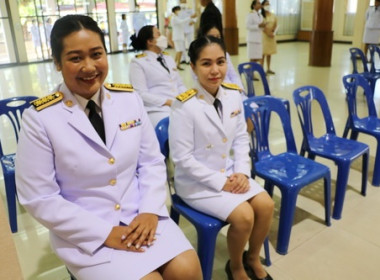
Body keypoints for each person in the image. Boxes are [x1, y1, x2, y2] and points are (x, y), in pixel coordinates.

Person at [15, 15, 202, 280]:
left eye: (96, 54)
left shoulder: (128, 99)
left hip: (141, 215)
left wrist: (150, 209)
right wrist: (104, 233)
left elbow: (150, 162)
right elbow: (40, 198)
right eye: (75, 58)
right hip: (86, 233)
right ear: (57, 62)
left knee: (188, 268)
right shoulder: (41, 118)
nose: (89, 67)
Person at [169, 36, 274, 280]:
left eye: (220, 61)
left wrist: (242, 173)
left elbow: (239, 139)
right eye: (206, 63)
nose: (215, 70)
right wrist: (222, 183)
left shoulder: (233, 94)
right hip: (196, 183)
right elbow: (182, 159)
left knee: (266, 204)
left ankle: (252, 257)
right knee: (245, 215)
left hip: (229, 171)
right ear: (193, 67)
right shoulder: (183, 106)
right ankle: (235, 266)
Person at [129, 25, 187, 128]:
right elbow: (140, 93)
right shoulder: (138, 63)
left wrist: (186, 98)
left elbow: (179, 84)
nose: (163, 37)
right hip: (157, 109)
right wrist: (167, 102)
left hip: (178, 104)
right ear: (150, 41)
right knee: (178, 126)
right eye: (159, 34)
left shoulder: (167, 58)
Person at [196, 23, 246, 97]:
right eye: (212, 37)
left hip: (234, 91)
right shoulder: (198, 58)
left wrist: (239, 88)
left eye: (218, 37)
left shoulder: (225, 55)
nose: (216, 40)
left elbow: (233, 76)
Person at [171, 6, 195, 70]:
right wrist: (190, 17)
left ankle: (175, 64)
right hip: (177, 37)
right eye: (178, 10)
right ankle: (177, 65)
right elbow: (181, 22)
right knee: (179, 51)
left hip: (179, 36)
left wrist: (192, 21)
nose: (179, 11)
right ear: (175, 11)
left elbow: (183, 23)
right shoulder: (174, 18)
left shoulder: (177, 17)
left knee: (179, 51)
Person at [261, 0, 277, 75]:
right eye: (266, 4)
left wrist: (273, 31)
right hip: (264, 36)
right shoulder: (261, 15)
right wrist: (268, 33)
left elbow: (275, 24)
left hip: (271, 36)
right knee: (263, 53)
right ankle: (261, 69)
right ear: (263, 6)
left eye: (269, 4)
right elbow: (262, 27)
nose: (268, 6)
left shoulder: (273, 15)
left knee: (269, 53)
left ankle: (268, 68)